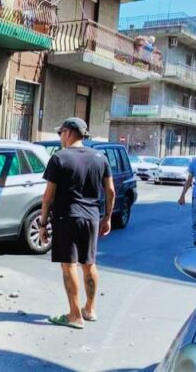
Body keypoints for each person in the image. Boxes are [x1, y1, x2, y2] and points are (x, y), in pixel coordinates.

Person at [39, 117, 116, 330]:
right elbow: (110, 191)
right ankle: (89, 310)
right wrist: (107, 217)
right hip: (91, 217)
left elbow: (48, 196)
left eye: (60, 133)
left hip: (67, 217)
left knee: (69, 265)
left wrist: (43, 224)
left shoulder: (59, 158)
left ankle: (74, 315)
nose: (60, 137)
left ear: (69, 133)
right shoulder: (100, 157)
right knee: (89, 264)